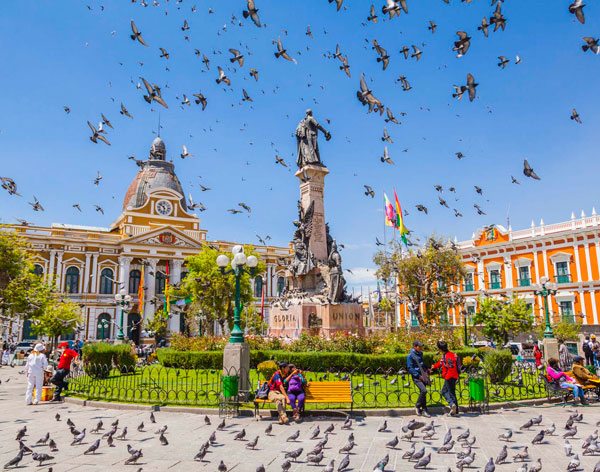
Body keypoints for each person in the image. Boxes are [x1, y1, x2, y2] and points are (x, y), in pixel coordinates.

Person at [431, 340, 460, 416]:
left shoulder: (446, 356)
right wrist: (435, 366)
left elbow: (447, 365)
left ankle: (452, 405)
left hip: (449, 376)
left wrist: (446, 375)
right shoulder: (451, 354)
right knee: (449, 392)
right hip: (454, 376)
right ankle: (455, 410)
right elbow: (441, 363)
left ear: (440, 349)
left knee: (447, 392)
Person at [407, 340, 431, 417]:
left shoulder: (420, 353)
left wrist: (427, 370)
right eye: (419, 346)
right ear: (414, 347)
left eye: (421, 346)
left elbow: (422, 364)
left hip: (423, 375)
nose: (421, 348)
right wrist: (418, 376)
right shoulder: (410, 356)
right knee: (424, 391)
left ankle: (424, 409)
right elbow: (410, 368)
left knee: (423, 392)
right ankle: (417, 406)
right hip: (417, 377)